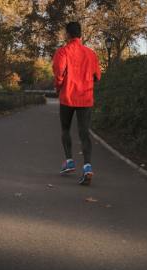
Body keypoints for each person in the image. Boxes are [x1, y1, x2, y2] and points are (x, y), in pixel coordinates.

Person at [52, 21, 101, 185]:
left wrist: (58, 88)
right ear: (81, 34)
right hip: (85, 98)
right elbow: (97, 76)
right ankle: (87, 167)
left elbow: (59, 73)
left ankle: (70, 161)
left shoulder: (62, 52)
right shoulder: (91, 54)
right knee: (84, 132)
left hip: (68, 97)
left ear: (67, 34)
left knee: (65, 129)